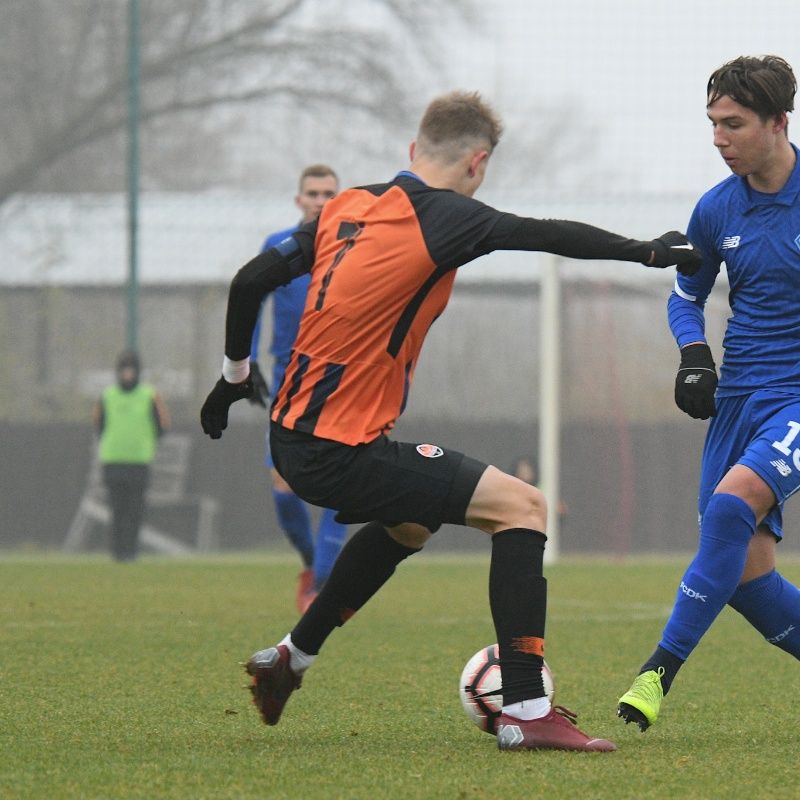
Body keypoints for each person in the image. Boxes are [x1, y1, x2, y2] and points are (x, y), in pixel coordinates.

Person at [201, 90, 701, 752]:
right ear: (478, 162)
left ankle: (292, 657)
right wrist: (648, 251)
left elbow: (249, 281)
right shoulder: (449, 218)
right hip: (338, 450)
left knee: (409, 523)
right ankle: (524, 707)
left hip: (293, 441)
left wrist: (233, 378)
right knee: (522, 507)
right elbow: (545, 233)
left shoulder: (346, 205)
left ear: (413, 151)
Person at [617, 55, 800, 733]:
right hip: (737, 402)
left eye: (734, 124)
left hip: (796, 400)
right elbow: (686, 294)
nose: (719, 138)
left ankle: (657, 672)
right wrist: (694, 354)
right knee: (750, 584)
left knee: (730, 510)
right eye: (713, 124)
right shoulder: (717, 207)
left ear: (779, 123)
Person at [247, 164, 348, 613]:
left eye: (329, 192)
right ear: (299, 199)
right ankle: (312, 563)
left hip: (343, 376)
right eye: (313, 192)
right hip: (288, 376)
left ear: (338, 197)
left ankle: (323, 583)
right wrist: (245, 361)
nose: (320, 200)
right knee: (283, 486)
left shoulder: (353, 246)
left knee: (341, 481)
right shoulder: (279, 246)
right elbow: (249, 297)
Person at [93, 350, 170, 561]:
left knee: (135, 510)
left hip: (139, 462)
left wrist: (145, 443)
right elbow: (99, 426)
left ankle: (131, 553)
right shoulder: (107, 396)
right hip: (113, 461)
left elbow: (161, 426)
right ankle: (117, 553)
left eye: (131, 369)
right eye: (124, 369)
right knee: (117, 510)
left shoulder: (149, 395)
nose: (127, 374)